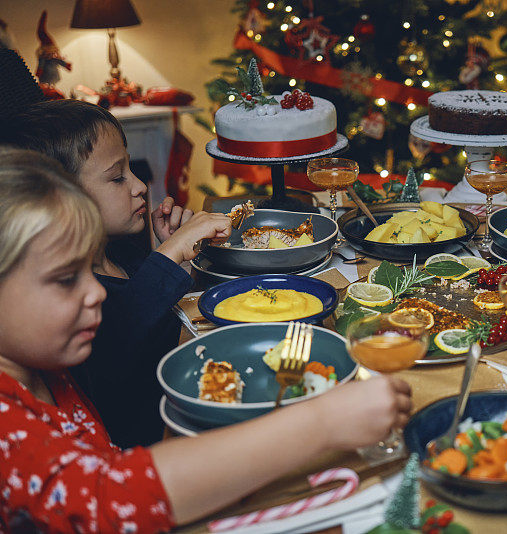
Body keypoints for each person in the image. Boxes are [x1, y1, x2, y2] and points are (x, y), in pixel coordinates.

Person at [0, 147, 413, 531]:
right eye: (66, 278)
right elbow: (109, 496)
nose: (97, 293)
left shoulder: (44, 369)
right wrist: (323, 422)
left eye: (89, 271)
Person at [0, 99, 232, 448]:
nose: (139, 186)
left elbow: (157, 318)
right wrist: (167, 257)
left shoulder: (120, 253)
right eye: (117, 177)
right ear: (61, 196)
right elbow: (117, 343)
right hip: (157, 442)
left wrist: (177, 261)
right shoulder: (62, 314)